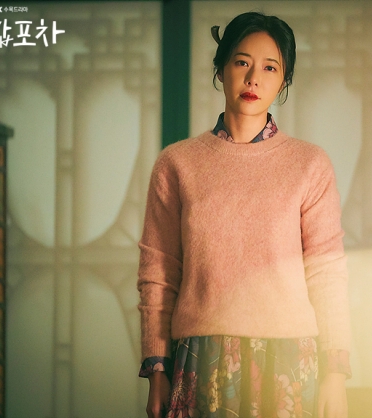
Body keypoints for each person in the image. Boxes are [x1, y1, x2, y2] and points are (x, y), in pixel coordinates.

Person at [137, 11, 352, 418]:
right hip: (199, 358)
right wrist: (157, 369)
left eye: (270, 68)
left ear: (283, 81)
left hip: (289, 361)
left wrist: (335, 374)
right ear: (221, 69)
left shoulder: (309, 164)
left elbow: (326, 272)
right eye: (241, 62)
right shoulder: (177, 163)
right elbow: (158, 272)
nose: (254, 78)